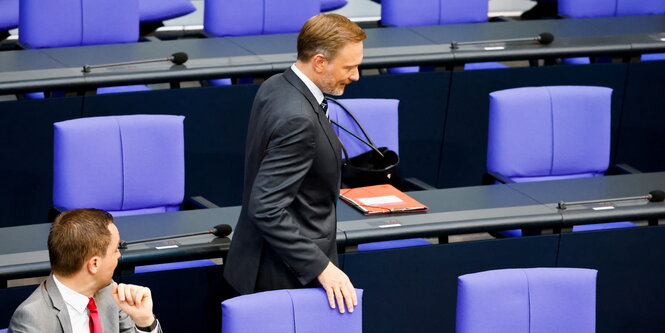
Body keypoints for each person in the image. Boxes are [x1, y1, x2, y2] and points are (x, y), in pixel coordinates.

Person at [223, 13, 365, 314]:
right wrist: (321, 267)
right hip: (281, 276)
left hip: (258, 259)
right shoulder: (298, 118)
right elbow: (266, 207)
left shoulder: (277, 84)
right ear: (319, 62)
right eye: (349, 67)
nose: (355, 76)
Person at [8, 209, 161, 333]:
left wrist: (144, 321)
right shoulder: (32, 318)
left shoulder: (109, 293)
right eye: (115, 250)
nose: (119, 255)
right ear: (94, 264)